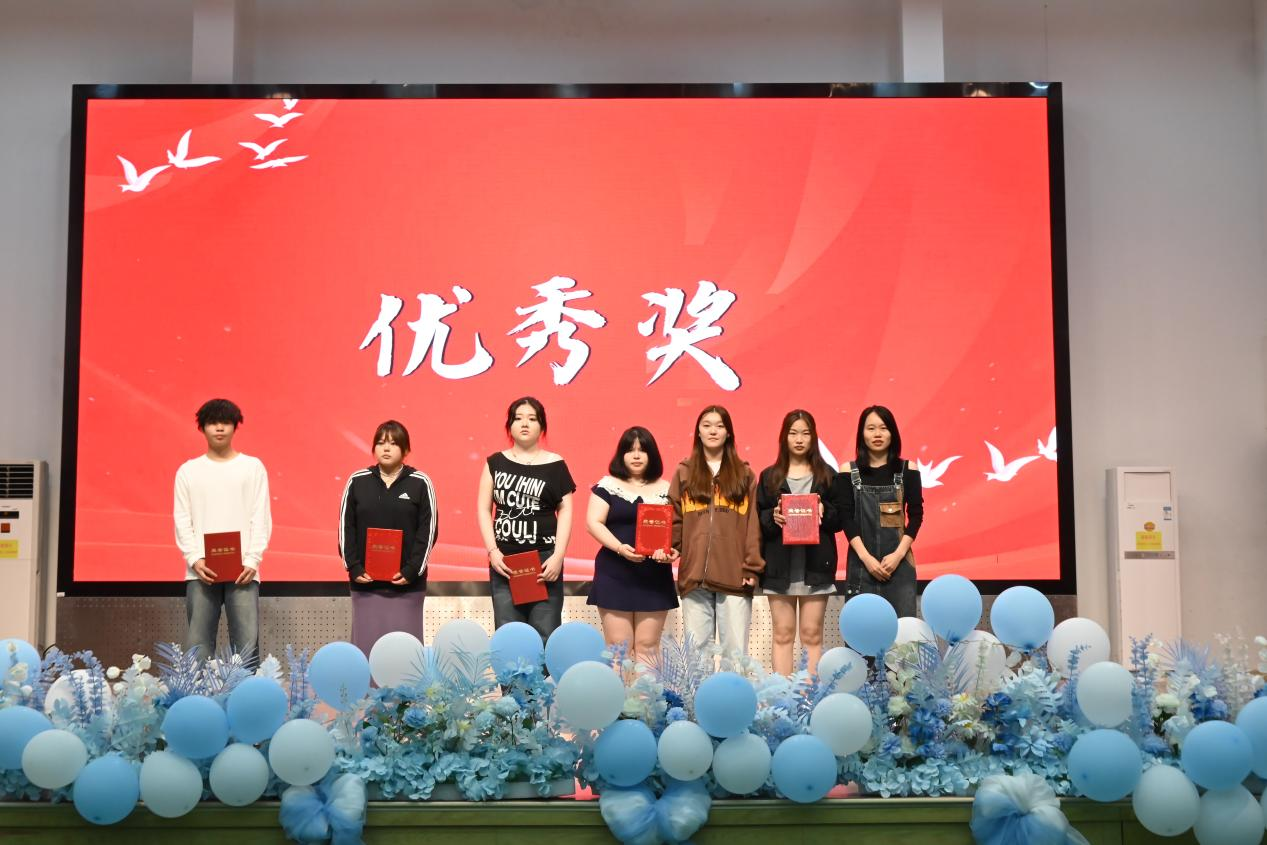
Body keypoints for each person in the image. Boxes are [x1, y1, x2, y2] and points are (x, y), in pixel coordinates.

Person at [174, 398, 271, 665]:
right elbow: (182, 519)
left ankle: (246, 692)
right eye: (213, 423)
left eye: (225, 423)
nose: (219, 428)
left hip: (243, 570)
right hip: (200, 571)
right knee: (198, 643)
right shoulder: (188, 471)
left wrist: (252, 559)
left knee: (246, 644)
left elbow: (260, 517)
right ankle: (200, 691)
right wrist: (194, 558)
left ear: (235, 427)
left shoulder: (252, 467)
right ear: (202, 428)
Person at [667, 405, 763, 659]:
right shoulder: (684, 472)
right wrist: (672, 547)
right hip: (694, 577)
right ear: (698, 432)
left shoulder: (745, 474)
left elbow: (753, 524)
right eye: (707, 425)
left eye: (720, 426)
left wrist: (752, 567)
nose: (713, 431)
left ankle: (734, 690)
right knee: (697, 657)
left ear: (728, 433)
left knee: (735, 655)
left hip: (735, 576)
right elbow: (674, 517)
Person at [477, 397, 576, 640]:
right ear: (509, 425)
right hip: (505, 562)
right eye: (518, 418)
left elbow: (565, 510)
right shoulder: (495, 463)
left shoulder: (556, 464)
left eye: (532, 419)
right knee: (509, 636)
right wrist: (493, 551)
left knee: (546, 634)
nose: (524, 424)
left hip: (544, 561)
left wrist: (558, 556)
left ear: (542, 426)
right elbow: (483, 509)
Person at [338, 420, 438, 654]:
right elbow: (345, 528)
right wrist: (354, 567)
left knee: (404, 653)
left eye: (393, 443)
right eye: (381, 443)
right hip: (365, 585)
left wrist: (412, 570)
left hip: (407, 587)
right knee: (366, 649)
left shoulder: (420, 483)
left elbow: (429, 531)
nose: (386, 448)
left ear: (406, 450)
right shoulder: (357, 481)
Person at [756, 410, 840, 676]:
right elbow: (757, 520)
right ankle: (782, 694)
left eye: (805, 433)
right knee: (783, 633)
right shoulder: (769, 476)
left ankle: (809, 694)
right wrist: (772, 517)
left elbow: (841, 520)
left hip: (815, 567)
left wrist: (826, 511)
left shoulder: (828, 475)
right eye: (793, 433)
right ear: (784, 437)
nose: (799, 439)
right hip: (779, 568)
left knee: (811, 633)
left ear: (813, 437)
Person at [585, 426, 678, 665]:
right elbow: (593, 523)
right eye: (630, 450)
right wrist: (619, 547)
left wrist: (672, 551)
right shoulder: (608, 486)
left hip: (654, 576)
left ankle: (647, 692)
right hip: (614, 574)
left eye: (642, 450)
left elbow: (677, 529)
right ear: (621, 454)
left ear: (652, 454)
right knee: (618, 647)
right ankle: (618, 692)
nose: (636, 456)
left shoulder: (668, 489)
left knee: (648, 646)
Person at [836, 405, 923, 618]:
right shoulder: (847, 471)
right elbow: (846, 518)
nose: (877, 434)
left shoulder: (908, 469)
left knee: (902, 633)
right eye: (871, 428)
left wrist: (898, 556)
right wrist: (866, 559)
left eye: (883, 428)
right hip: (861, 565)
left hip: (899, 566)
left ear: (892, 433)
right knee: (861, 632)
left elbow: (916, 515)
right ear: (862, 434)